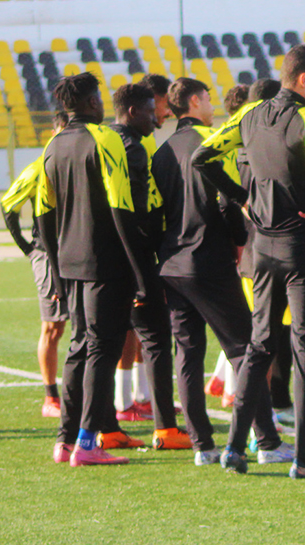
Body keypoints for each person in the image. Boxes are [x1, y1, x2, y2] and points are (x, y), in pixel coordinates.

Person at [193, 43, 305, 478]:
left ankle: (236, 449)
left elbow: (202, 158)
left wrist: (243, 199)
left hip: (264, 249)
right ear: (303, 80)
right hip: (304, 249)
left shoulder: (249, 115)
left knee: (259, 346)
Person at [153, 77, 288, 466]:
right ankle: (266, 442)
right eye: (208, 98)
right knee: (246, 350)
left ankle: (202, 446)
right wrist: (238, 241)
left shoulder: (161, 154)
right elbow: (229, 200)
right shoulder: (211, 142)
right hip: (208, 260)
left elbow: (156, 211)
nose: (212, 104)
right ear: (195, 101)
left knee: (188, 354)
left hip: (172, 264)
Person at [33, 72, 152, 467]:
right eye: (98, 98)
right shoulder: (107, 139)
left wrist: (55, 265)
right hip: (106, 263)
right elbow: (122, 209)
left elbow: (43, 216)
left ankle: (65, 441)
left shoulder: (52, 146)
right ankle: (87, 443)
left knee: (80, 348)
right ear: (90, 103)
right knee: (102, 350)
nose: (103, 104)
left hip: (69, 264)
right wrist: (139, 272)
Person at [108, 82, 192, 452]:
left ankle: (101, 429)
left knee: (98, 346)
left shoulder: (100, 142)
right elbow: (134, 215)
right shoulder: (133, 149)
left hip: (97, 263)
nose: (160, 116)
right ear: (132, 112)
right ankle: (166, 428)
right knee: (157, 340)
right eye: (151, 109)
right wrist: (144, 275)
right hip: (133, 261)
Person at [1, 110, 69, 419]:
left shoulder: (78, 163)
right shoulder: (38, 167)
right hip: (47, 255)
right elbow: (8, 205)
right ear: (56, 133)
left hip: (77, 253)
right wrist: (28, 249)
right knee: (53, 327)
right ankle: (50, 397)